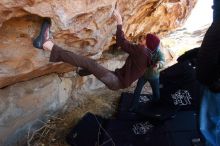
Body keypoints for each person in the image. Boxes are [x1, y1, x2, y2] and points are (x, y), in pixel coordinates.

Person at [33, 9, 160, 91]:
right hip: (117, 81)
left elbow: (122, 42)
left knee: (89, 63)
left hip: (115, 80)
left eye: (144, 39)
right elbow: (128, 46)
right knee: (93, 66)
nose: (142, 39)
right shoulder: (146, 56)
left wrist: (119, 22)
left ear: (148, 43)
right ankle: (82, 72)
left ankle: (47, 44)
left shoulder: (142, 51)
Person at [129, 35, 164, 111]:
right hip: (143, 75)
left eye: (146, 41)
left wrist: (158, 65)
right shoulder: (145, 50)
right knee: (137, 90)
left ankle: (156, 107)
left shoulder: (159, 53)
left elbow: (162, 61)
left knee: (156, 93)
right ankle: (133, 106)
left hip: (154, 77)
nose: (144, 41)